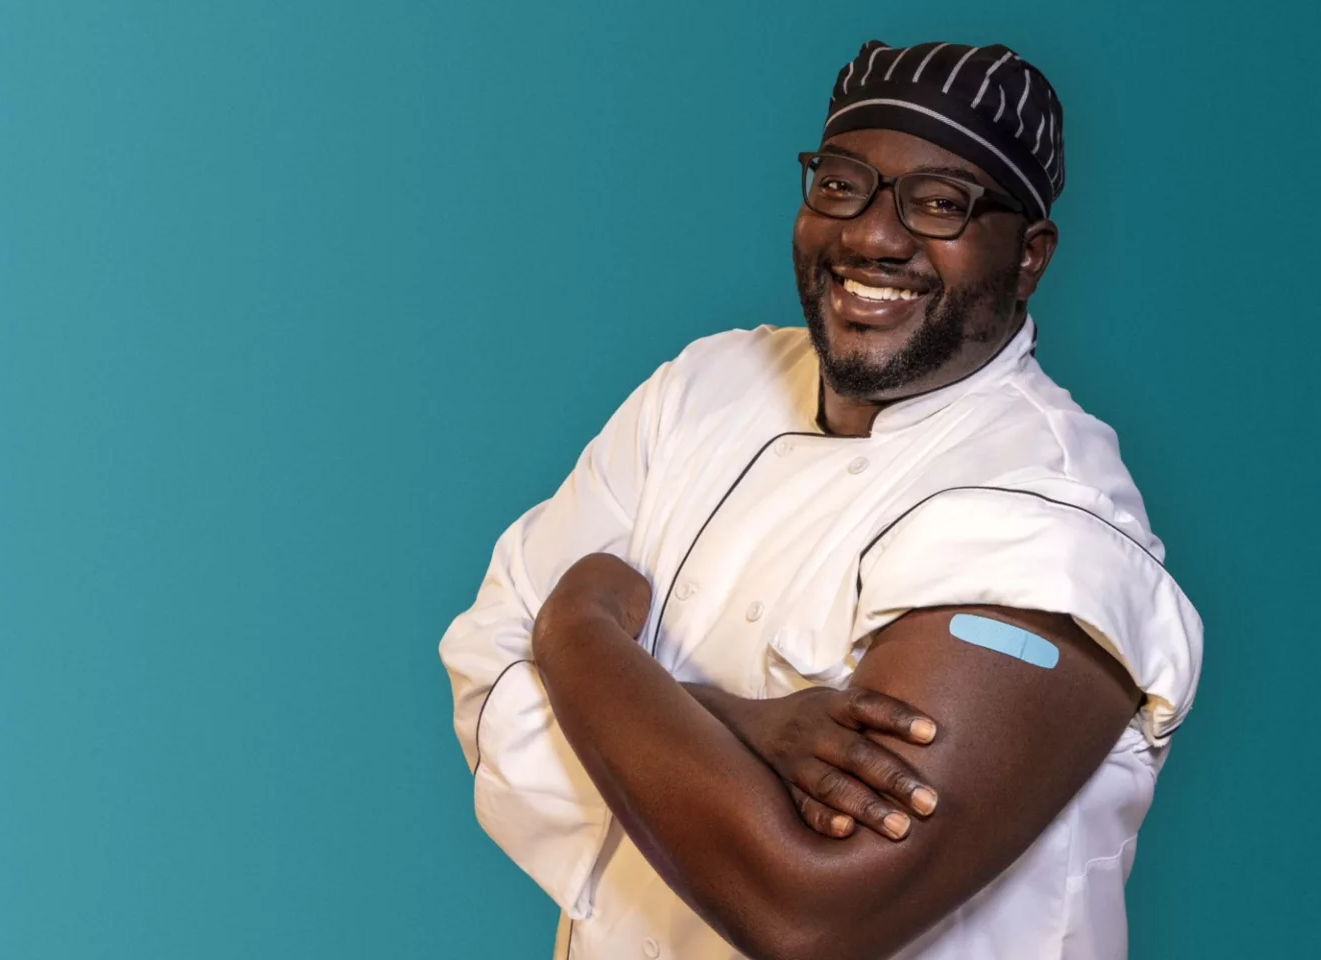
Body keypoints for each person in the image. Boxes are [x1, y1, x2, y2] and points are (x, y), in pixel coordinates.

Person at [438, 39, 1203, 960]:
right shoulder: (700, 389)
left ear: (1029, 255)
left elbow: (805, 911)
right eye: (843, 184)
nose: (873, 237)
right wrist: (745, 725)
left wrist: (575, 632)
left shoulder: (1051, 522)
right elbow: (483, 668)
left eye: (939, 204)